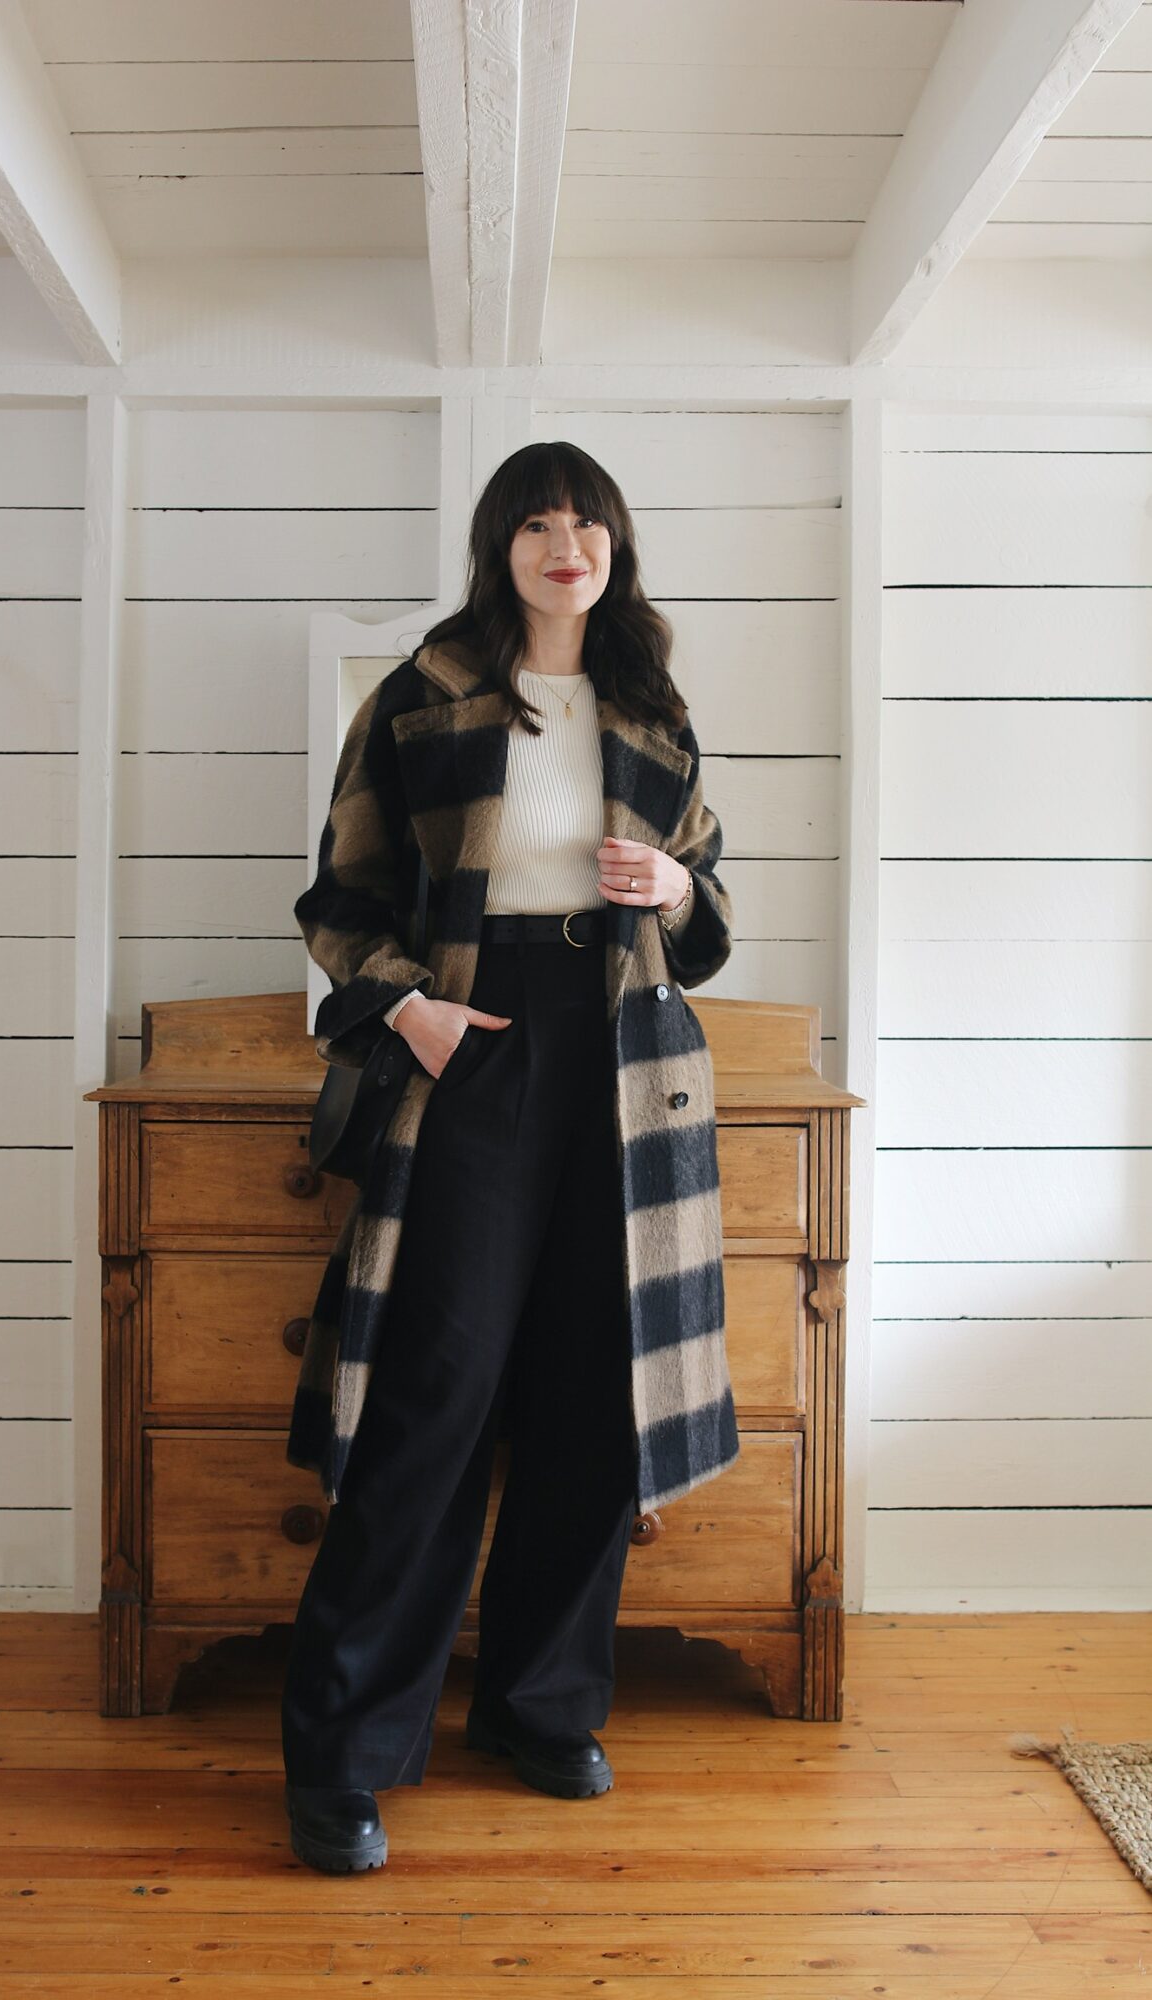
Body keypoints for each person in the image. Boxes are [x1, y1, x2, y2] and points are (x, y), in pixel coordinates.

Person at [282, 441, 737, 1874]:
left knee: (593, 1398)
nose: (564, 544)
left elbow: (705, 907)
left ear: (613, 548)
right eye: (537, 522)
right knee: (433, 1396)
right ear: (501, 545)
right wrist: (410, 1010)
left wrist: (674, 882)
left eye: (586, 521)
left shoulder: (653, 715)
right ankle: (345, 1757)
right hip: (472, 1046)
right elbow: (339, 898)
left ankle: (539, 1708)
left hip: (623, 1060)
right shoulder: (420, 701)